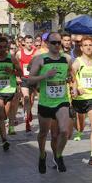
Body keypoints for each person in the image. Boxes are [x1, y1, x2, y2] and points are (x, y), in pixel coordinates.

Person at [27, 32, 73, 173]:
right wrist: (45, 76)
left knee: (64, 131)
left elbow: (70, 74)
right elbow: (30, 79)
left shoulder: (66, 59)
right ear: (47, 44)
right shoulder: (40, 59)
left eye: (59, 43)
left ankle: (58, 156)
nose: (57, 45)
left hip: (62, 100)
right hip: (46, 102)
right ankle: (42, 154)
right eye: (54, 43)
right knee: (43, 133)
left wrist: (69, 79)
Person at [71, 37, 92, 165]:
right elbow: (71, 75)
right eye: (85, 45)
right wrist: (77, 87)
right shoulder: (77, 62)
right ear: (81, 48)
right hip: (80, 99)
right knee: (78, 126)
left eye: (90, 45)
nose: (89, 47)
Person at [16, 35, 36, 132]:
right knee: (26, 98)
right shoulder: (19, 53)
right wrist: (17, 76)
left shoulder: (36, 53)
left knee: (31, 100)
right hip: (24, 78)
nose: (29, 44)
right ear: (24, 43)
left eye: (30, 42)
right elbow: (15, 65)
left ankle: (29, 111)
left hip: (33, 79)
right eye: (27, 42)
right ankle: (27, 120)